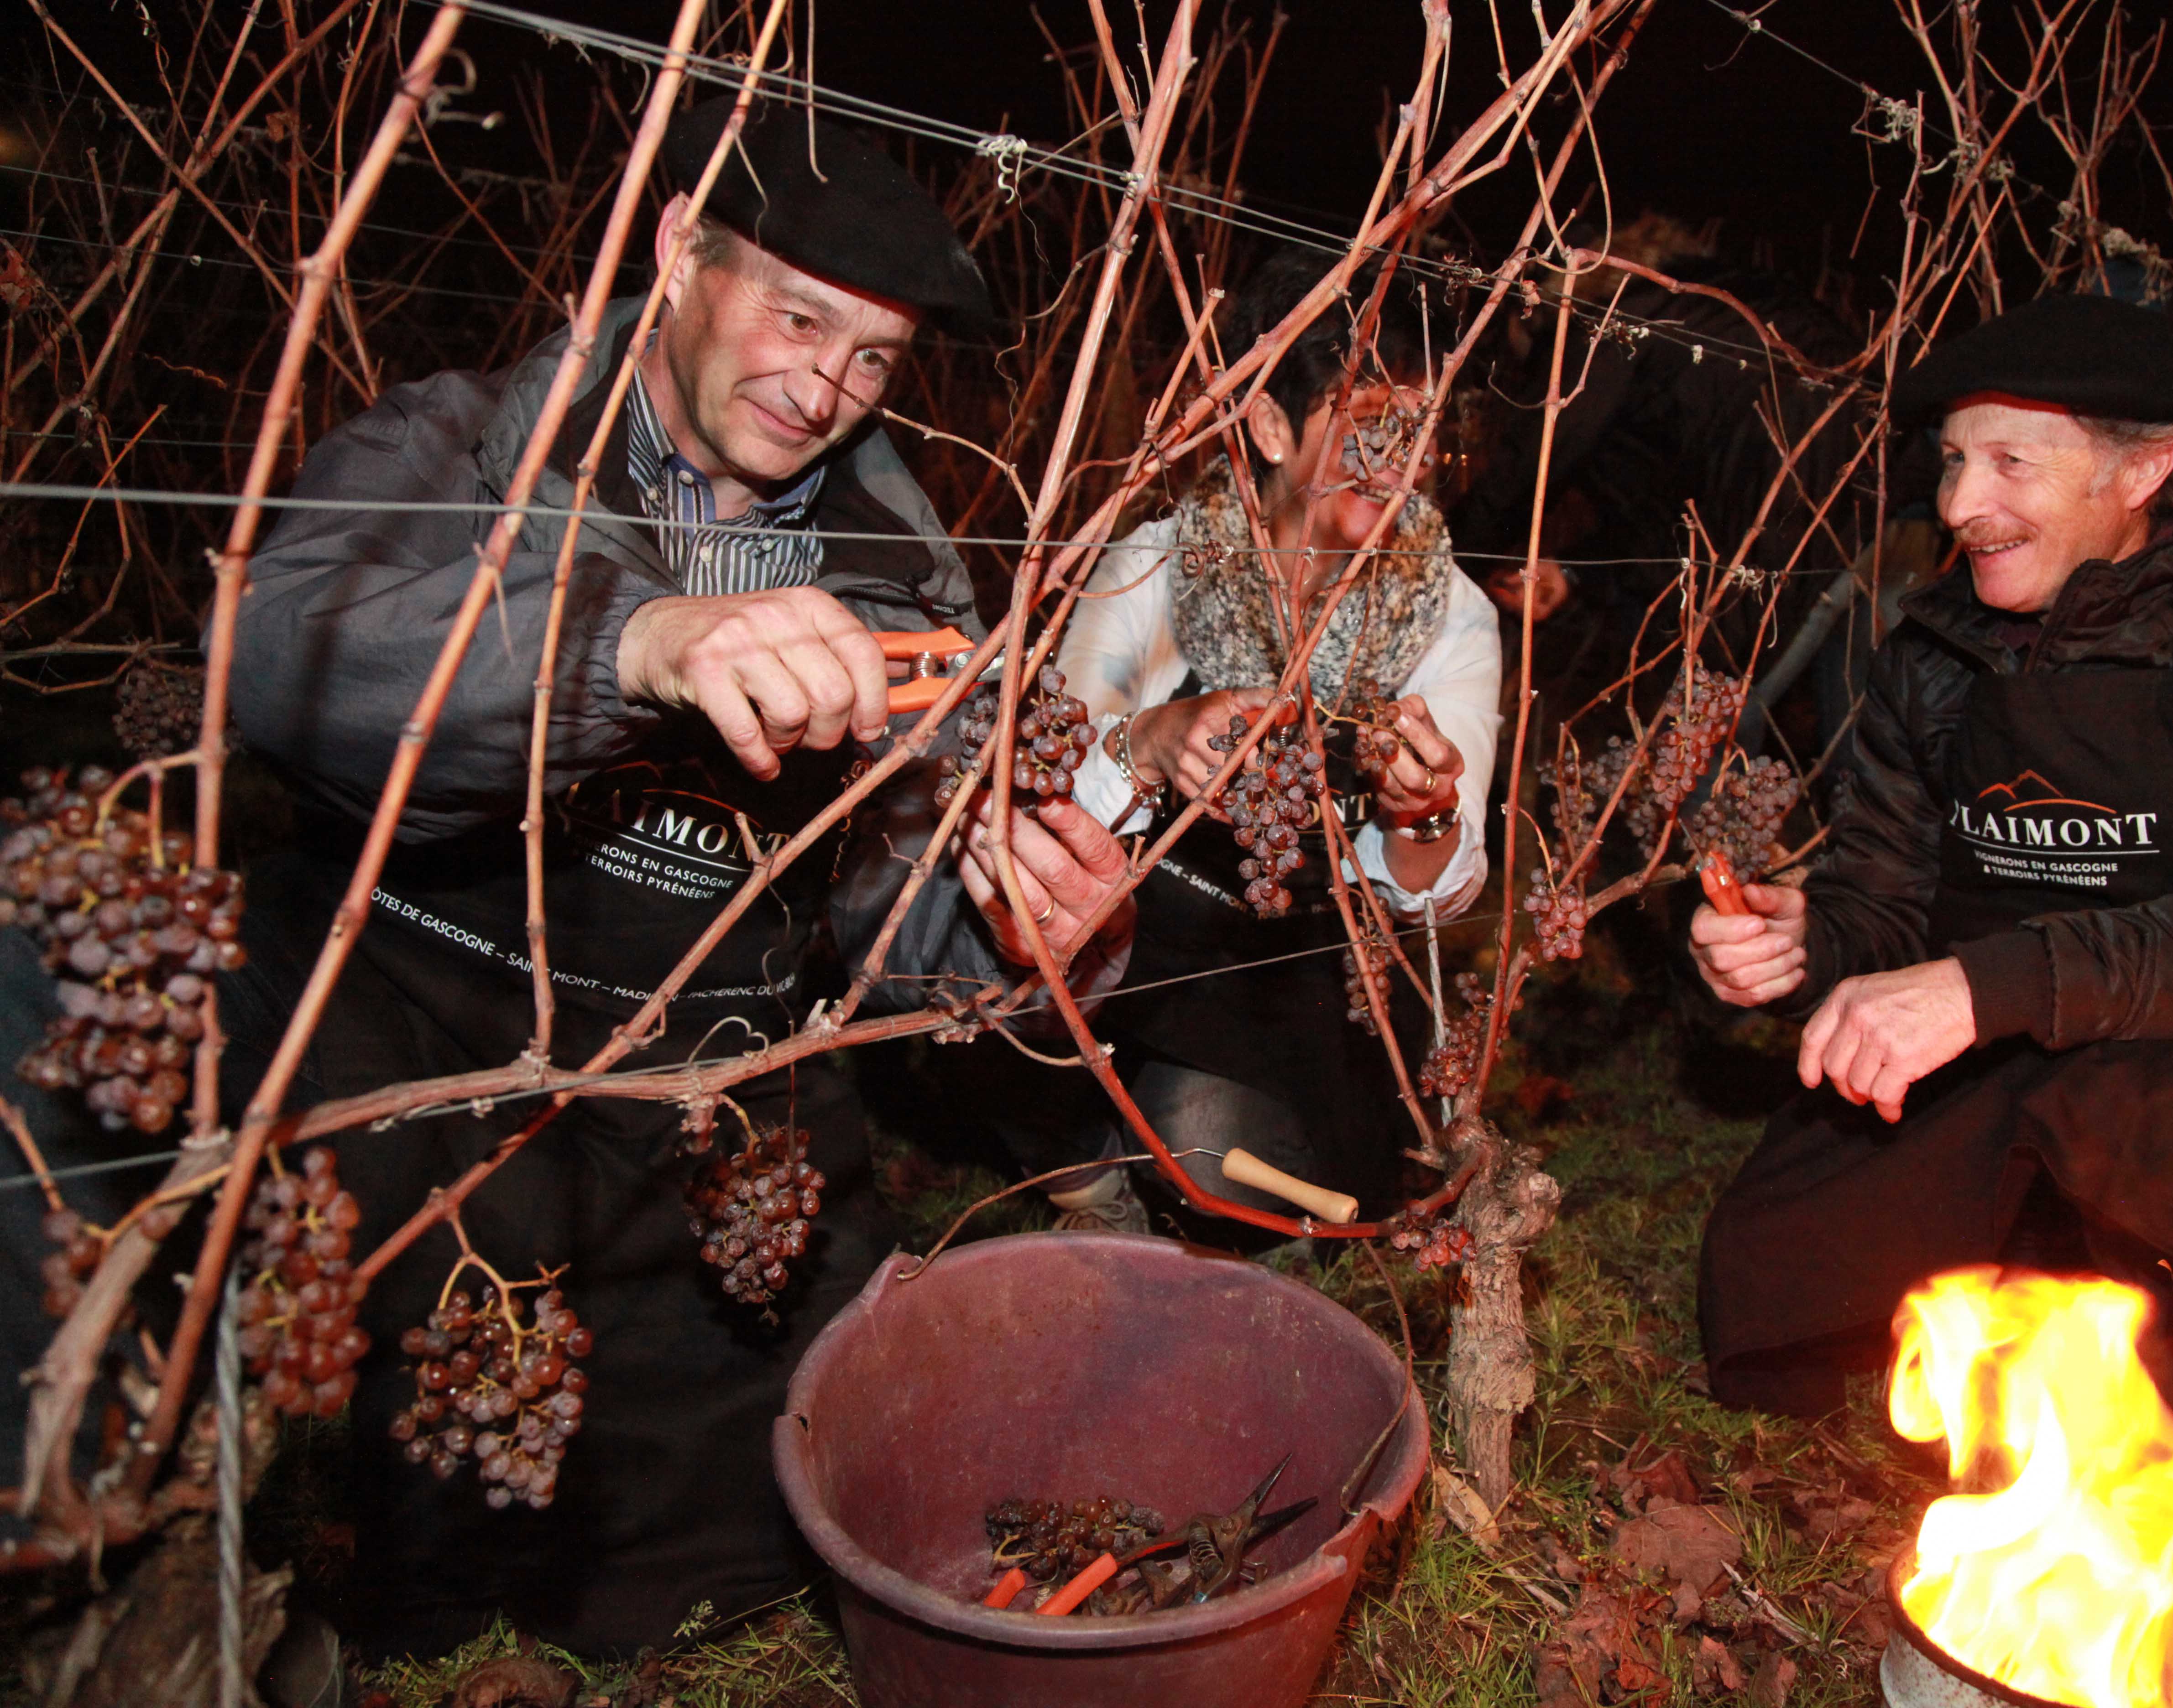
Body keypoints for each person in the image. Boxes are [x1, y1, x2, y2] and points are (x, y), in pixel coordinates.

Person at [216, 103, 1134, 1656]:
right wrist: (630, 645)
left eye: (876, 359)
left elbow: (893, 919)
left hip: (703, 1067)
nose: (825, 385)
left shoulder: (899, 566)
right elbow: (284, 649)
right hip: (425, 1013)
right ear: (676, 250)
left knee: (770, 1504)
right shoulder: (475, 437)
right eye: (796, 314)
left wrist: (1021, 933)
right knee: (426, 1495)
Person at [1687, 292, 2173, 1553]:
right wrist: (1808, 942)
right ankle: (2020, 1257)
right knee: (1777, 1286)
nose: (1960, 505)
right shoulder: (1935, 650)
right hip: (2007, 1032)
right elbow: (1887, 893)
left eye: (2008, 465)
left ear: (2144, 468)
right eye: (1950, 462)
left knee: (2130, 1127)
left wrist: (1989, 988)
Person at [998, 251, 1500, 1233]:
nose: (1403, 462)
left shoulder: (1450, 617)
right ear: (1271, 426)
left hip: (1308, 969)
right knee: (980, 994)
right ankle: (1089, 1171)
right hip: (1135, 935)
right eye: (1370, 428)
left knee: (1210, 1149)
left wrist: (1423, 808)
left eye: (1425, 433)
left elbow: (1439, 890)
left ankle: (1170, 1160)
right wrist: (1148, 740)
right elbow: (1037, 789)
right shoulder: (1155, 565)